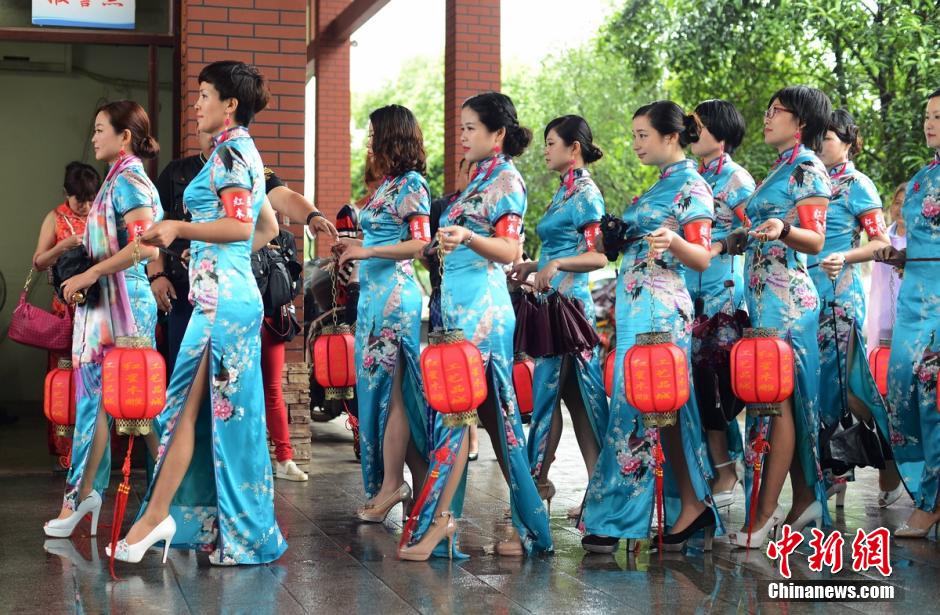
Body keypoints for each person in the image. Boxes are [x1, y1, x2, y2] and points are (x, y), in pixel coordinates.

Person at [112, 61, 283, 566]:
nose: (197, 103)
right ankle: (215, 527)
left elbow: (238, 227)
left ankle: (160, 519)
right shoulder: (241, 152)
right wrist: (209, 256)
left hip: (220, 304)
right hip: (228, 295)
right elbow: (266, 225)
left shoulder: (230, 151)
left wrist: (180, 232)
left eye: (205, 94)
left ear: (231, 104)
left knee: (185, 407)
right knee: (208, 414)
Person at [150, 131, 336, 482]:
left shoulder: (246, 165)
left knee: (235, 393)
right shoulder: (178, 172)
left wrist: (311, 215)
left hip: (236, 293)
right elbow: (155, 226)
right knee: (185, 390)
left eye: (208, 99)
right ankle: (187, 480)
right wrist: (156, 273)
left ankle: (236, 475)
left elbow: (282, 200)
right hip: (184, 291)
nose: (202, 112)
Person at [419, 91, 553, 559]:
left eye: (470, 128)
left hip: (484, 312)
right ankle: (515, 527)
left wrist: (468, 235)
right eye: (461, 128)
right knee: (486, 423)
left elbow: (511, 251)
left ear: (498, 134)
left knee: (478, 422)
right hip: (459, 308)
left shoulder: (506, 181)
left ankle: (444, 528)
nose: (462, 136)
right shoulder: (477, 179)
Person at [581, 101, 718, 554]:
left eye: (643, 135)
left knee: (636, 406)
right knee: (665, 406)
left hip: (660, 308)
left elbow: (700, 256)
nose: (636, 143)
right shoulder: (659, 186)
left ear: (671, 137)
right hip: (639, 306)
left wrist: (674, 240)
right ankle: (694, 504)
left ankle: (616, 518)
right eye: (635, 134)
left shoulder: (692, 187)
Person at [43, 101, 163, 538]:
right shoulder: (116, 179)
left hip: (123, 308)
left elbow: (146, 247)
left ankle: (95, 498)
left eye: (100, 129)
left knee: (134, 405)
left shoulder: (130, 180)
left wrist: (90, 271)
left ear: (124, 136)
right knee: (111, 404)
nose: (93, 137)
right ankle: (88, 496)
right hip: (106, 307)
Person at [723, 85, 833, 547]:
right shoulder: (780, 169)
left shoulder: (807, 168)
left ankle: (762, 516)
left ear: (800, 122)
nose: (766, 118)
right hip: (767, 297)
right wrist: (737, 237)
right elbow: (764, 228)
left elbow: (815, 241)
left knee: (776, 403)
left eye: (776, 112)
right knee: (781, 403)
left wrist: (783, 229)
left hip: (787, 302)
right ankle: (805, 498)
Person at [336, 105, 433, 527]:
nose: (369, 141)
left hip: (395, 298)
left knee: (392, 395)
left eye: (374, 134)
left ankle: (393, 484)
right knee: (385, 397)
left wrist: (366, 250)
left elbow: (420, 244)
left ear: (393, 137)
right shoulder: (388, 185)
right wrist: (350, 247)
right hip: (375, 299)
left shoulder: (412, 184)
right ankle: (418, 480)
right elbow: (380, 235)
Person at [509, 115, 609, 519]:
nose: (546, 149)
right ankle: (596, 493)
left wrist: (556, 265)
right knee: (578, 405)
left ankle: (535, 490)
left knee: (550, 402)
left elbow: (599, 255)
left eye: (552, 143)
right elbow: (558, 252)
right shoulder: (564, 191)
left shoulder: (585, 193)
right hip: (551, 309)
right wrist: (533, 266)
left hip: (570, 315)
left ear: (574, 148)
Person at [809, 108, 902, 509]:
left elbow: (880, 242)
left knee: (837, 385)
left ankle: (849, 467)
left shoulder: (857, 184)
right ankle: (831, 469)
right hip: (805, 294)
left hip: (839, 294)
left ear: (847, 142)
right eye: (817, 139)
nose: (820, 146)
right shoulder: (808, 181)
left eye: (827, 139)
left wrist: (844, 256)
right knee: (814, 384)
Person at [874, 87, 940, 537]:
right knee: (900, 392)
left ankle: (933, 501)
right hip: (913, 294)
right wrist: (896, 257)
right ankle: (923, 487)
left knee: (934, 395)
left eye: (938, 116)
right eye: (928, 115)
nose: (929, 123)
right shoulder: (918, 180)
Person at [686, 100, 755, 508]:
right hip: (689, 292)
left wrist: (721, 244)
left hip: (722, 291)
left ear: (720, 133)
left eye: (699, 126)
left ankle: (727, 472)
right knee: (696, 382)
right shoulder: (691, 176)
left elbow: (755, 228)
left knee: (715, 383)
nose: (692, 133)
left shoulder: (735, 178)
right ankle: (716, 470)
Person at [32, 161, 100, 469]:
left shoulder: (100, 215)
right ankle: (65, 452)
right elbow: (38, 261)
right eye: (79, 200)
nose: (85, 206)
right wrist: (64, 245)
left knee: (93, 378)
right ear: (66, 194)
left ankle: (93, 451)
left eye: (90, 199)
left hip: (97, 307)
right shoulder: (55, 217)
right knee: (64, 379)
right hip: (65, 311)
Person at [426, 157, 480, 461]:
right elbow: (427, 249)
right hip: (443, 294)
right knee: (448, 366)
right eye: (467, 170)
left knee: (468, 365)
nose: (472, 176)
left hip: (474, 300)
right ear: (457, 173)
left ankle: (472, 436)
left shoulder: (483, 209)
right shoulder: (442, 207)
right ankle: (452, 436)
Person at [865, 182, 907, 356]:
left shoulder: (920, 243)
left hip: (907, 311)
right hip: (881, 310)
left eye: (906, 204)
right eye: (897, 203)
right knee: (879, 360)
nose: (900, 209)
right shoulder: (882, 238)